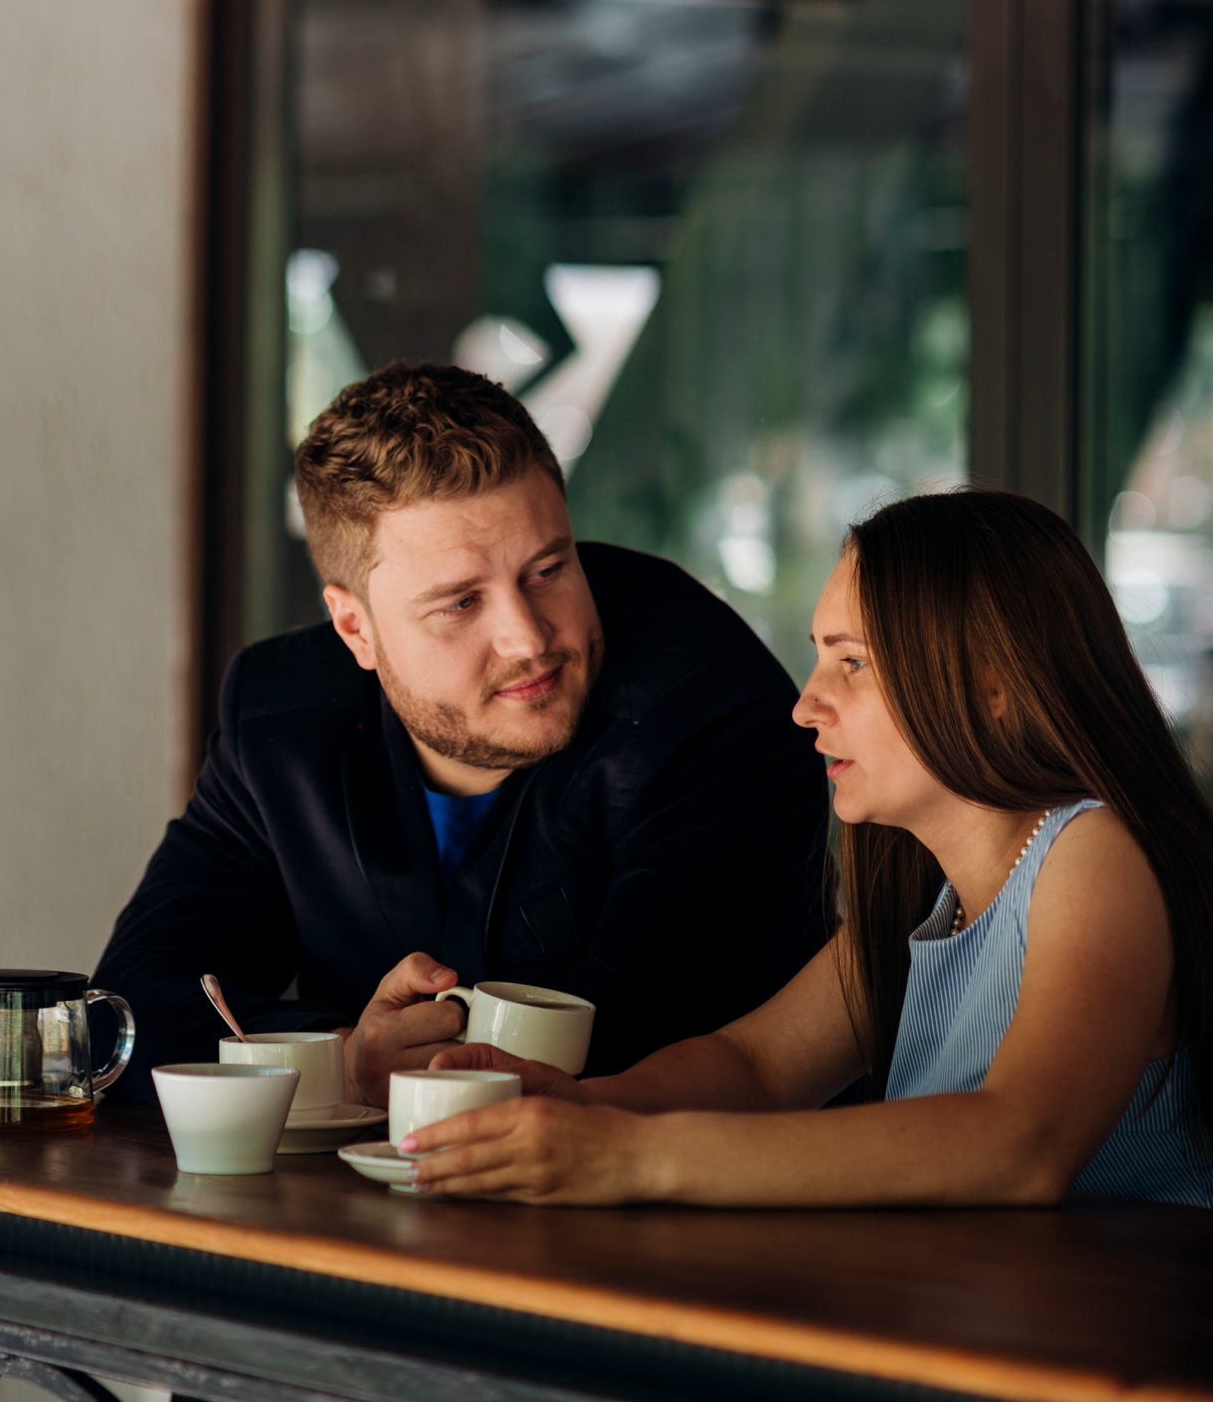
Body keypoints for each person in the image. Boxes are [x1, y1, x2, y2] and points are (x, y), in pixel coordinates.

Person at [405, 487, 1213, 1207]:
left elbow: (1020, 1144)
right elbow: (755, 1068)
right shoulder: (928, 897)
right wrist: (583, 1105)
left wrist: (631, 1157)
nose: (805, 706)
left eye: (852, 662)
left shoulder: (1092, 855)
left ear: (990, 685)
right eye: (820, 657)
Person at [95, 363, 830, 1102]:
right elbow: (129, 1011)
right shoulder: (281, 714)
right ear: (355, 628)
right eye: (460, 603)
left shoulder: (703, 699)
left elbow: (625, 1043)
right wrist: (343, 1057)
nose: (528, 638)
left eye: (547, 570)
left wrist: (361, 1070)